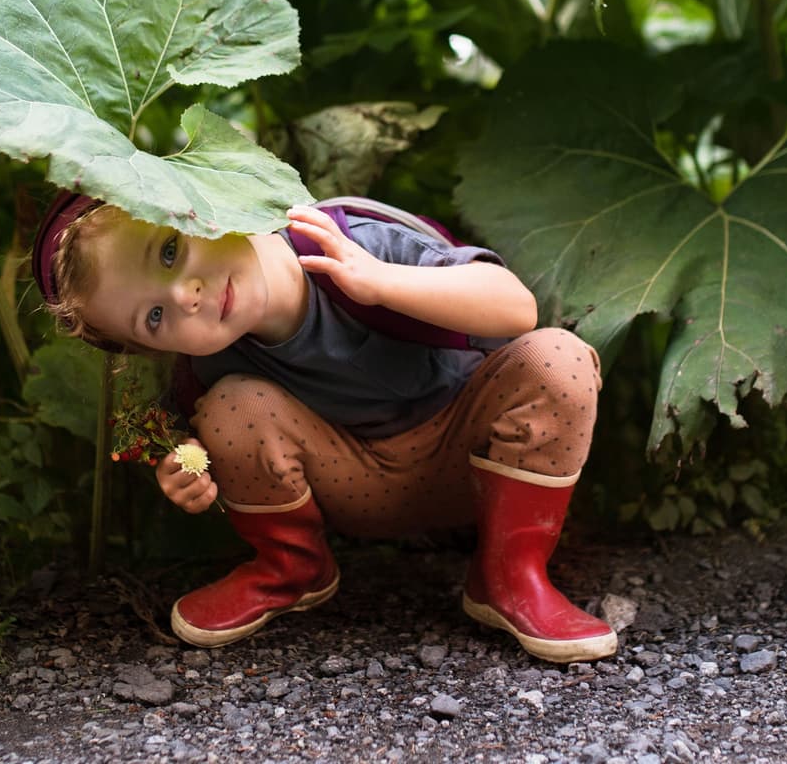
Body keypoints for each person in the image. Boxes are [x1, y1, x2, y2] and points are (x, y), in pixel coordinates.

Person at [33, 191, 617, 663]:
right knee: (231, 408)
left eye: (168, 251)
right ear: (144, 348)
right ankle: (293, 569)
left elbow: (517, 308)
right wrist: (189, 469)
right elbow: (195, 446)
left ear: (204, 199)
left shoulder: (345, 238)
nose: (185, 295)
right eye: (154, 317)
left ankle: (510, 575)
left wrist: (380, 280)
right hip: (354, 488)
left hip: (469, 464)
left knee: (557, 359)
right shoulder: (210, 365)